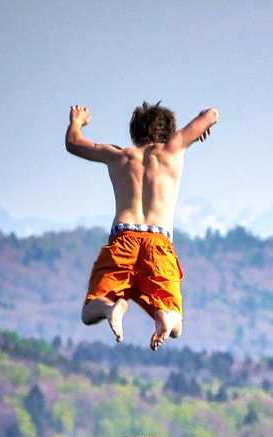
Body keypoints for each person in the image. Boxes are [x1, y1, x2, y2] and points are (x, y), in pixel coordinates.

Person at [66, 100, 218, 350]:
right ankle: (166, 317)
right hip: (158, 243)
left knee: (91, 308)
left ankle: (110, 307)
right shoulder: (174, 148)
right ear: (169, 132)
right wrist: (201, 125)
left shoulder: (118, 156)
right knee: (177, 322)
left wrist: (77, 121)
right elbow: (212, 114)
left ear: (134, 132)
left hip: (123, 238)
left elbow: (73, 143)